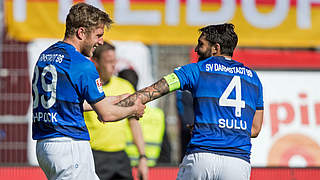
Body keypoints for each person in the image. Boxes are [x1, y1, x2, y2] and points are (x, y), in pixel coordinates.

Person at [116, 23, 264, 180]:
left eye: (201, 44)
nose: (196, 49)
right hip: (238, 163)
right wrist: (223, 129)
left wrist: (109, 108)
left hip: (202, 157)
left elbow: (151, 92)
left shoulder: (196, 70)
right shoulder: (253, 79)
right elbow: (254, 129)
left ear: (216, 48)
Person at [32, 3, 145, 180]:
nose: (100, 42)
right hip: (69, 144)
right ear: (81, 32)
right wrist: (134, 109)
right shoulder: (82, 64)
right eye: (98, 35)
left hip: (46, 145)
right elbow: (106, 115)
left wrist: (116, 98)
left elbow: (69, 102)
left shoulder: (46, 55)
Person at [84, 42, 148, 180]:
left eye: (114, 61)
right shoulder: (87, 87)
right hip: (94, 155)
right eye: (108, 61)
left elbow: (134, 124)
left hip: (120, 157)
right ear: (95, 62)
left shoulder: (124, 86)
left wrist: (142, 156)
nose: (113, 65)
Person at [118, 69, 166, 167]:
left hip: (125, 165)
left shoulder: (121, 114)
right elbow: (166, 146)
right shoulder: (158, 114)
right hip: (153, 166)